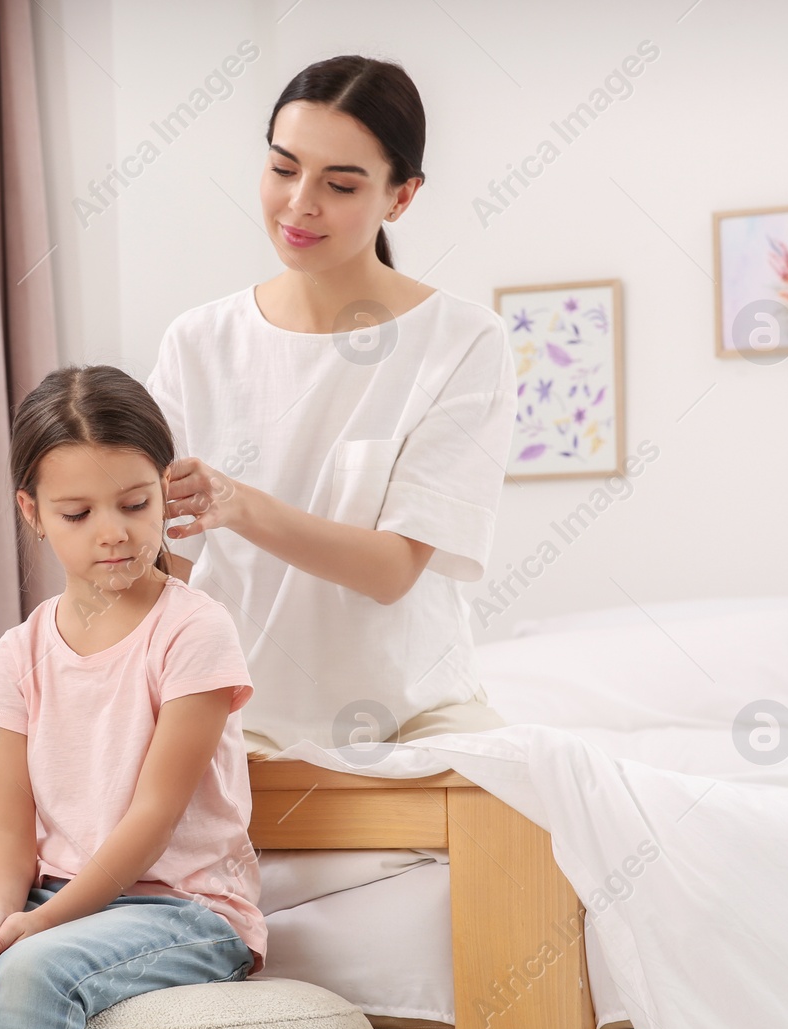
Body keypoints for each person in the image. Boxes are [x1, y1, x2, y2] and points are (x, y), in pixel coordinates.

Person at [0, 364, 263, 1029]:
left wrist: (37, 928)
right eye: (78, 514)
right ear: (32, 513)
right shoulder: (17, 655)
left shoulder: (196, 630)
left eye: (136, 505)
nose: (113, 533)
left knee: (33, 969)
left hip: (187, 911)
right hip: (54, 896)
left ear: (163, 495)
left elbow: (153, 818)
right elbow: (10, 830)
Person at [145, 54, 519, 758]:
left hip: (415, 714)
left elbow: (391, 570)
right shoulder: (199, 342)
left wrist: (239, 502)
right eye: (283, 169)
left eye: (339, 184)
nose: (299, 203)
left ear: (400, 197)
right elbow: (175, 562)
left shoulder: (463, 341)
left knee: (524, 804)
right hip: (237, 715)